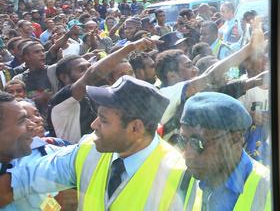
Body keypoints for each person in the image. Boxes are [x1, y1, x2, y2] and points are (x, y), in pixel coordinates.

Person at [0, 76, 191, 210]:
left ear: (136, 128)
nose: (93, 125)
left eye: (103, 120)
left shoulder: (179, 177)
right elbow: (20, 182)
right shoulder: (89, 148)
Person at [178, 92, 271, 210]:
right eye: (182, 140)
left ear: (235, 137)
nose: (187, 154)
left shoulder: (269, 192)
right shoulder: (183, 181)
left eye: (198, 143)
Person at [0, 92, 62, 211]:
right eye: (22, 120)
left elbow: (51, 203)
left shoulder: (44, 154)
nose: (32, 125)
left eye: (36, 114)